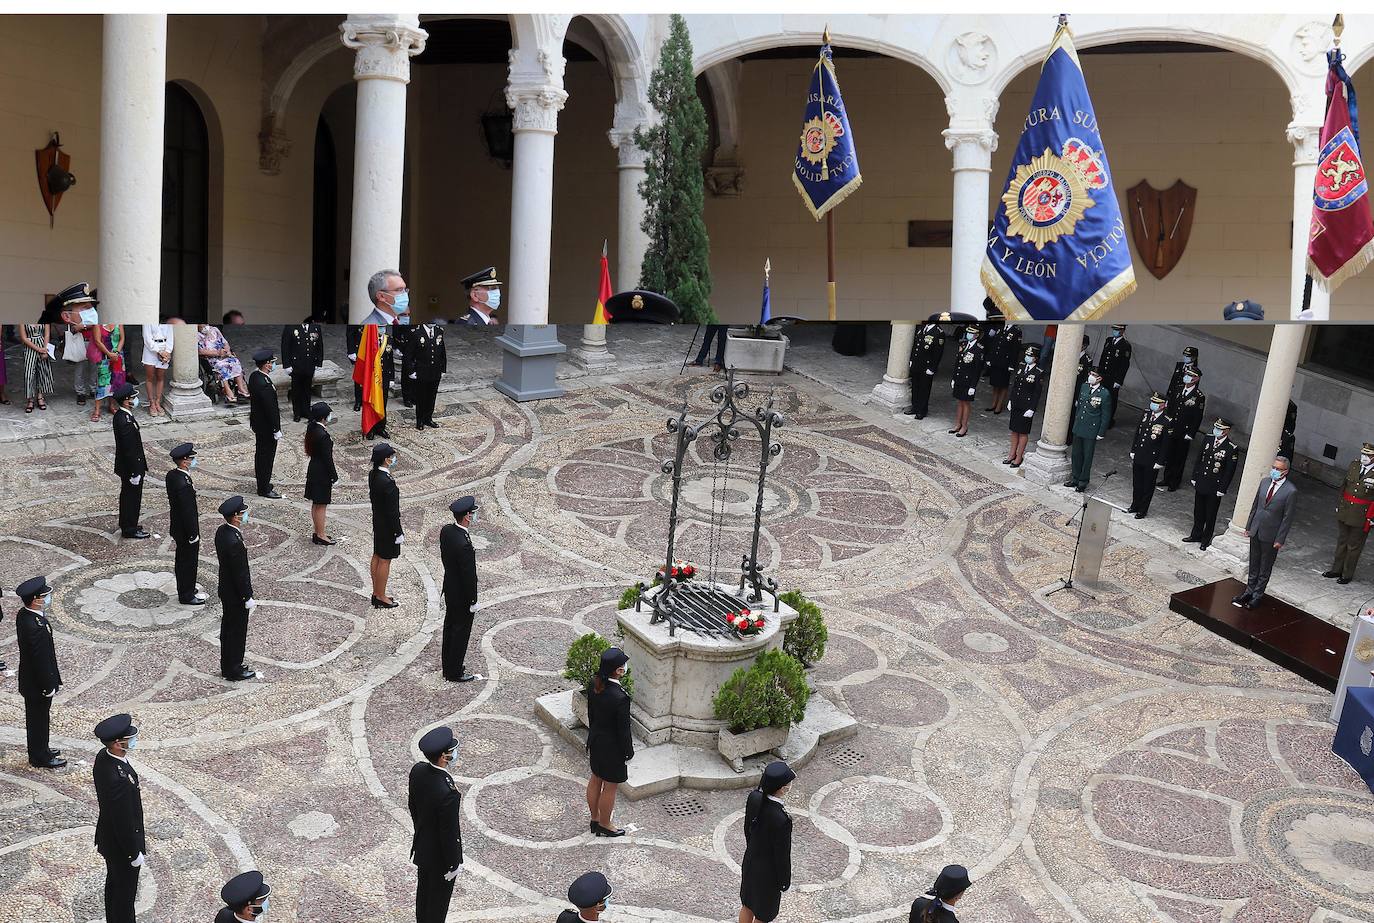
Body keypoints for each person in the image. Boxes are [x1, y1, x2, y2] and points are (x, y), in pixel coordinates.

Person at [93, 713, 145, 923]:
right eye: (127, 739)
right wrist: (133, 853)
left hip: (109, 840)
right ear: (117, 744)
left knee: (114, 886)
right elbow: (123, 821)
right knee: (124, 895)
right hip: (121, 847)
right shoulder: (119, 779)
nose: (131, 741)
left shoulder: (103, 757)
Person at [409, 726, 464, 923]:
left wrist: (423, 833)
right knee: (437, 907)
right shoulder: (448, 792)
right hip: (440, 859)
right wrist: (453, 863)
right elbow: (449, 832)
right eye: (451, 752)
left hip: (423, 849)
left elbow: (413, 807)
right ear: (443, 757)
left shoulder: (418, 771)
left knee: (423, 898)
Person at [1234, 456, 1296, 610]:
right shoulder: (1265, 482)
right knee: (1253, 563)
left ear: (1285, 472)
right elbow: (1255, 505)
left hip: (1271, 534)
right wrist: (1248, 526)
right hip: (1256, 529)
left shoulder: (1290, 491)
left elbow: (1287, 518)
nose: (1275, 471)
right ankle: (1249, 591)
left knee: (1265, 567)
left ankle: (1257, 595)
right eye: (1274, 467)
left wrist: (1280, 539)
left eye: (1278, 469)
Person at [16, 576, 64, 768]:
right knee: (38, 720)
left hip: (31, 681)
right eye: (45, 596)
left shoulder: (26, 615)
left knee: (40, 718)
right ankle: (39, 756)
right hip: (37, 684)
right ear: (36, 600)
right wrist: (48, 685)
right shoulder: (34, 625)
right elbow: (40, 660)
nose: (48, 598)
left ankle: (42, 748)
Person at [738, 760, 795, 923]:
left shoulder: (754, 797)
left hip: (750, 862)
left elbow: (747, 829)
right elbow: (782, 855)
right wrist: (784, 881)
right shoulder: (782, 819)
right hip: (768, 876)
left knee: (747, 905)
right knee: (763, 915)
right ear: (783, 789)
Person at [586, 647, 633, 837]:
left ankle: (595, 819)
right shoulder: (620, 697)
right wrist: (628, 751)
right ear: (618, 670)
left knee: (596, 779)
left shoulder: (594, 683)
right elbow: (623, 729)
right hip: (612, 748)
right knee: (610, 786)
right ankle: (605, 824)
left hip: (596, 740)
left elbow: (591, 714)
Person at [215, 496, 258, 681]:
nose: (245, 516)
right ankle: (234, 668)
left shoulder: (223, 532)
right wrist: (247, 596)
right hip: (235, 594)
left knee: (229, 629)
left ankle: (229, 665)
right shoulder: (234, 541)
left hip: (226, 589)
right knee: (236, 632)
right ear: (235, 517)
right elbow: (240, 573)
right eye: (242, 513)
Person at [1184, 417, 1240, 551]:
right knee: (1198, 511)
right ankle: (1195, 534)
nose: (1217, 430)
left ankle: (1205, 539)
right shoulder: (1208, 439)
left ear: (1226, 431)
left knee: (1210, 514)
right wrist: (1195, 475)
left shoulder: (1231, 448)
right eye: (1216, 428)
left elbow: (1229, 471)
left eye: (1220, 429)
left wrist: (1223, 488)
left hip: (1215, 485)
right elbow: (1200, 459)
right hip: (1202, 480)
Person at [440, 497, 480, 682]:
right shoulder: (464, 544)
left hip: (450, 588)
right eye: (472, 513)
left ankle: (448, 666)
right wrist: (473, 600)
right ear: (467, 517)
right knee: (460, 633)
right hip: (462, 595)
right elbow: (469, 576)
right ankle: (454, 671)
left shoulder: (447, 531)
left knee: (449, 628)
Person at [359, 271, 402, 439]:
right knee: (370, 403)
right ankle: (370, 429)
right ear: (381, 296)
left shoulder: (387, 336)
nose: (404, 295)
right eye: (399, 290)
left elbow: (389, 359)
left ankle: (380, 427)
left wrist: (391, 376)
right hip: (372, 376)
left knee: (383, 403)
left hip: (383, 377)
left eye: (405, 290)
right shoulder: (369, 330)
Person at [1324, 441, 1374, 585]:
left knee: (1354, 545)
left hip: (1362, 515)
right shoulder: (1354, 465)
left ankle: (1347, 574)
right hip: (1346, 510)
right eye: (1363, 454)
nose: (1364, 457)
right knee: (1342, 541)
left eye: (1368, 455)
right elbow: (1344, 486)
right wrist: (1339, 504)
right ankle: (1336, 569)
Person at [166, 443, 208, 605]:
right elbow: (187, 511)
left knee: (184, 559)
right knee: (188, 561)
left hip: (177, 526)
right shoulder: (183, 483)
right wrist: (193, 533)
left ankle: (188, 586)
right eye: (191, 459)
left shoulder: (173, 475)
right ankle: (186, 594)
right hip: (185, 529)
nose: (193, 461)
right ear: (184, 461)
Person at [111, 383, 151, 539]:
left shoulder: (123, 416)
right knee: (131, 498)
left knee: (130, 496)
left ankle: (130, 523)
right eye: (133, 398)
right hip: (130, 468)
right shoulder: (125, 420)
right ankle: (129, 528)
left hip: (128, 466)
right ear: (127, 400)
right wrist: (135, 471)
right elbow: (129, 449)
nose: (135, 400)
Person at [1126, 392, 1172, 519]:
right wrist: (1133, 449)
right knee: (1137, 482)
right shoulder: (1146, 414)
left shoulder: (1166, 421)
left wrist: (1161, 461)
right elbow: (1138, 433)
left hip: (1152, 458)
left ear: (1163, 405)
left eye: (1157, 403)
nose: (1154, 405)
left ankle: (1142, 509)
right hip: (1140, 453)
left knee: (1148, 485)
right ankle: (1135, 504)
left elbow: (1165, 444)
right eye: (1153, 402)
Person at [1065, 369, 1112, 493]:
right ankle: (1075, 478)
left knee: (1087, 456)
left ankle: (1083, 481)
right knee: (1076, 454)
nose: (1090, 376)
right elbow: (1080, 406)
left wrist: (1101, 432)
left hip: (1091, 429)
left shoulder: (1104, 393)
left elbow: (1106, 414)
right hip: (1080, 425)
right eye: (1090, 374)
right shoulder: (1084, 387)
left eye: (1094, 375)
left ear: (1100, 378)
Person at [1161, 365, 1206, 492]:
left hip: (1184, 431)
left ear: (1196, 379)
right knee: (1169, 454)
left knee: (1179, 457)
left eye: (1190, 375)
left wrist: (1191, 433)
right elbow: (1171, 408)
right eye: (1187, 374)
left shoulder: (1198, 396)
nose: (1187, 377)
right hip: (1172, 427)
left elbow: (1197, 416)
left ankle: (1174, 482)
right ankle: (1166, 478)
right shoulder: (1179, 388)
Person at [369, 443, 403, 609]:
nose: (394, 459)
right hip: (388, 527)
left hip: (378, 522)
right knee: (385, 560)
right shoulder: (387, 482)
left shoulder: (373, 475)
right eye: (392, 456)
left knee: (377, 555)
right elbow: (393, 512)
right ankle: (381, 596)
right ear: (386, 459)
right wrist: (398, 532)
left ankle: (377, 592)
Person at [248, 349, 283, 500]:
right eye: (272, 362)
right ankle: (264, 488)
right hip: (266, 427)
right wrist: (276, 429)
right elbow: (271, 409)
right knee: (266, 458)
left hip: (258, 424)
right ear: (267, 365)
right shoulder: (265, 384)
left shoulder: (255, 376)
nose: (273, 365)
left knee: (261, 455)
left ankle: (263, 483)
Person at [55, 281, 98, 405]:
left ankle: (93, 389)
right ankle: (80, 392)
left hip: (93, 341)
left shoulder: (92, 310)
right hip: (79, 342)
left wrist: (83, 326)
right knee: (80, 369)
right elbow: (73, 326)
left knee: (94, 368)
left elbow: (94, 323)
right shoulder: (72, 311)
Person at [304, 402, 340, 546]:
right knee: (321, 505)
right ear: (324, 418)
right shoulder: (323, 435)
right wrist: (334, 476)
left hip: (314, 470)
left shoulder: (312, 428)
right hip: (321, 473)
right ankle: (321, 534)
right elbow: (327, 458)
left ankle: (318, 531)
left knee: (316, 504)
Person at [1005, 343, 1042, 468]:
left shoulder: (1038, 372)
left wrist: (1032, 408)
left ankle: (1019, 456)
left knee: (1023, 432)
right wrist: (1010, 400)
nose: (1027, 357)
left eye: (1030, 355)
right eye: (1026, 354)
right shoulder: (1021, 366)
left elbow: (1037, 393)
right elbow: (1015, 386)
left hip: (1026, 406)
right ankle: (1011, 454)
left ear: (1035, 358)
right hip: (1016, 402)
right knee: (1014, 430)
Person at [282, 317, 324, 422]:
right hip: (296, 365)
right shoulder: (291, 326)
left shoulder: (315, 327)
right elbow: (285, 346)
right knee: (296, 390)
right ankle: (297, 413)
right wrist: (287, 364)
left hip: (310, 364)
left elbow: (320, 345)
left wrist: (319, 361)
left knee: (307, 389)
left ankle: (306, 411)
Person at [198, 323, 249, 404]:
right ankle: (227, 390)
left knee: (235, 361)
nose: (204, 326)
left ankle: (241, 389)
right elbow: (200, 351)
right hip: (211, 359)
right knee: (222, 366)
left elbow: (225, 342)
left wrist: (228, 351)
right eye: (202, 325)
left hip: (224, 355)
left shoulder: (214, 329)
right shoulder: (196, 335)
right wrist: (218, 353)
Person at [409, 320, 447, 428]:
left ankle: (428, 418)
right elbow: (409, 355)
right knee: (421, 397)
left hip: (435, 371)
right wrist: (411, 371)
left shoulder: (439, 331)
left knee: (432, 396)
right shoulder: (416, 333)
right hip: (421, 371)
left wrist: (443, 369)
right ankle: (420, 420)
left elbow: (442, 352)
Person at [904, 322, 945, 419]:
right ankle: (915, 407)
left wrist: (932, 368)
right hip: (917, 363)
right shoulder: (923, 328)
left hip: (927, 366)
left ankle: (922, 410)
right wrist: (911, 360)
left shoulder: (939, 333)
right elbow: (916, 345)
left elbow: (938, 353)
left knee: (924, 389)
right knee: (915, 386)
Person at [949, 325, 984, 438]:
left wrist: (973, 386)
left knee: (966, 403)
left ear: (977, 335)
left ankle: (964, 426)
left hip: (968, 381)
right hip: (960, 378)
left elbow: (977, 370)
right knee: (959, 402)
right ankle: (957, 424)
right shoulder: (963, 345)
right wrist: (954, 378)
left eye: (971, 333)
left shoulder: (978, 350)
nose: (969, 335)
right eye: (968, 333)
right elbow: (957, 363)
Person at [89, 319, 126, 422]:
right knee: (102, 382)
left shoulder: (119, 322)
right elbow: (97, 341)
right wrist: (109, 354)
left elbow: (122, 338)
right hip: (104, 356)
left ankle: (112, 405)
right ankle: (97, 410)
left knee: (116, 381)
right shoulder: (98, 323)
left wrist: (117, 352)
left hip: (118, 356)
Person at [1097, 324, 1132, 429]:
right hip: (1104, 375)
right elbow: (1103, 358)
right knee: (1100, 396)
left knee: (1110, 399)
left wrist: (1119, 381)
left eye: (1117, 330)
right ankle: (1098, 417)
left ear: (1122, 331)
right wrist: (1099, 372)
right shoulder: (1108, 340)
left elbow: (1124, 365)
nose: (1115, 331)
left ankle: (1108, 420)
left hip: (1113, 377)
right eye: (1114, 329)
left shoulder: (1125, 345)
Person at [984, 323, 1020, 414]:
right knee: (995, 383)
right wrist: (989, 357)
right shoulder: (1000, 327)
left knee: (1003, 385)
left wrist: (1012, 364)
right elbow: (994, 344)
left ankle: (999, 405)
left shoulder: (1016, 331)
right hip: (996, 360)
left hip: (1006, 362)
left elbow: (1015, 349)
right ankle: (993, 403)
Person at [19, 320, 54, 413]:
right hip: (29, 348)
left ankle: (40, 397)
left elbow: (47, 335)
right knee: (29, 373)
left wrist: (45, 349)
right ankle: (30, 399)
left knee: (42, 372)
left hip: (42, 345)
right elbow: (23, 338)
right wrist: (38, 349)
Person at [140, 321, 172, 416]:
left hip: (164, 347)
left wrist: (167, 351)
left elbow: (170, 338)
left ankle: (158, 402)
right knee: (150, 377)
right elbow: (147, 338)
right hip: (150, 350)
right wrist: (158, 351)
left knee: (160, 377)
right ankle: (152, 403)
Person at [346, 324, 365, 412]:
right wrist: (351, 351)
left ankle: (368, 399)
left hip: (372, 349)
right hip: (359, 350)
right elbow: (350, 334)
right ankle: (358, 401)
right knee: (359, 377)